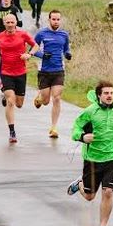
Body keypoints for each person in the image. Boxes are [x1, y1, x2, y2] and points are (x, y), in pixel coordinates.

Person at [67, 81, 113, 226]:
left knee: (108, 191)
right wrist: (83, 137)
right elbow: (75, 128)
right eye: (106, 93)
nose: (109, 95)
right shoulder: (90, 112)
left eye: (111, 93)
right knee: (89, 196)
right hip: (92, 159)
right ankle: (80, 184)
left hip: (112, 158)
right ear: (99, 95)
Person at [0, 12, 36, 143]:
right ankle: (12, 131)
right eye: (8, 22)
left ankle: (8, 98)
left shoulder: (23, 34)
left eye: (12, 22)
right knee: (11, 101)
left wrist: (29, 54)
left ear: (16, 22)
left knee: (19, 104)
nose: (10, 25)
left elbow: (35, 45)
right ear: (4, 23)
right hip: (6, 72)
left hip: (21, 72)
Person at [32, 9, 71, 138]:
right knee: (46, 101)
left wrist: (68, 54)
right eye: (53, 19)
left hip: (59, 70)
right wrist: (43, 55)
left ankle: (54, 127)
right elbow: (32, 50)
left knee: (57, 98)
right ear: (49, 20)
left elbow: (66, 49)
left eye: (58, 19)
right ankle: (39, 98)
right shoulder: (41, 34)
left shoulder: (64, 35)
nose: (56, 21)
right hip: (44, 71)